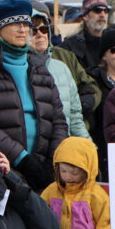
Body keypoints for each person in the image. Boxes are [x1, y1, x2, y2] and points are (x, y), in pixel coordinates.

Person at [0, 0, 66, 191]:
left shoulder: (40, 69)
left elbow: (58, 120)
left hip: (44, 174)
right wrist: (22, 159)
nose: (23, 29)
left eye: (26, 24)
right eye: (15, 24)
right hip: (0, 171)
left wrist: (54, 162)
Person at [29, 8, 93, 139]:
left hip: (64, 145)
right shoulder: (19, 70)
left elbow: (75, 118)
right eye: (33, 31)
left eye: (44, 29)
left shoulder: (62, 68)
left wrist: (88, 146)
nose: (40, 34)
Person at [62, 0, 112, 73]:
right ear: (85, 16)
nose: (102, 15)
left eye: (106, 11)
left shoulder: (114, 41)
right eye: (97, 10)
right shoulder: (70, 45)